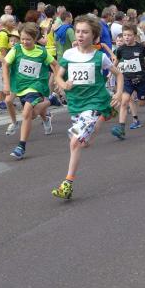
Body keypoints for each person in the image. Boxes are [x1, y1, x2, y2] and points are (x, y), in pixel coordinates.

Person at [52, 15, 123, 200]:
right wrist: (63, 84)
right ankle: (105, 115)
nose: (80, 35)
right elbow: (58, 75)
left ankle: (67, 183)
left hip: (94, 102)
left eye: (85, 32)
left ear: (94, 36)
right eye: (78, 31)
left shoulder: (100, 57)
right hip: (76, 104)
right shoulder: (69, 54)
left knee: (74, 142)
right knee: (82, 142)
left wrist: (118, 93)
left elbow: (119, 74)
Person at [2, 23, 56, 159]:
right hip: (19, 85)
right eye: (22, 39)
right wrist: (6, 84)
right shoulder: (16, 49)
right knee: (30, 115)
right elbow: (5, 65)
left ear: (35, 39)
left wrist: (58, 80)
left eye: (28, 39)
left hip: (36, 86)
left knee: (26, 112)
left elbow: (55, 65)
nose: (24, 42)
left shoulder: (42, 52)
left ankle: (21, 146)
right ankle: (49, 104)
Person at [111, 24, 145, 139]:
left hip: (141, 78)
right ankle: (121, 129)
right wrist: (111, 72)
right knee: (124, 102)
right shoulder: (121, 49)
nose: (126, 37)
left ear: (134, 35)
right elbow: (116, 62)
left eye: (129, 35)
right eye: (124, 35)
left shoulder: (141, 47)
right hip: (127, 79)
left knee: (142, 103)